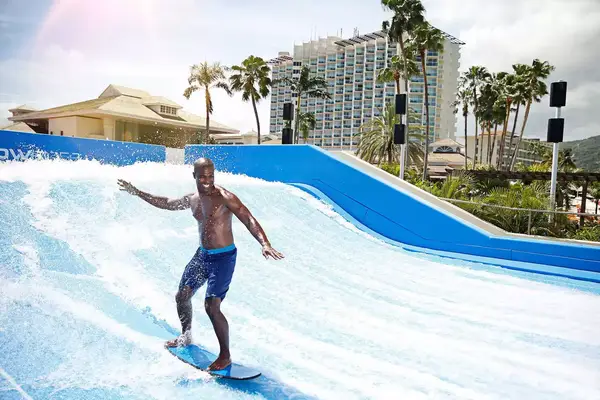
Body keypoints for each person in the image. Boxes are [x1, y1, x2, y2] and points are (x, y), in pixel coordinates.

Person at [117, 157, 284, 371]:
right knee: (182, 296)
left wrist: (265, 243)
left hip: (223, 258)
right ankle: (186, 337)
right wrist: (138, 192)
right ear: (194, 176)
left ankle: (225, 355)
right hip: (203, 256)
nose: (207, 180)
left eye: (211, 176)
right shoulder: (193, 198)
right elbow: (167, 203)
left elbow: (247, 217)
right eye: (203, 176)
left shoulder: (224, 197)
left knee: (212, 307)